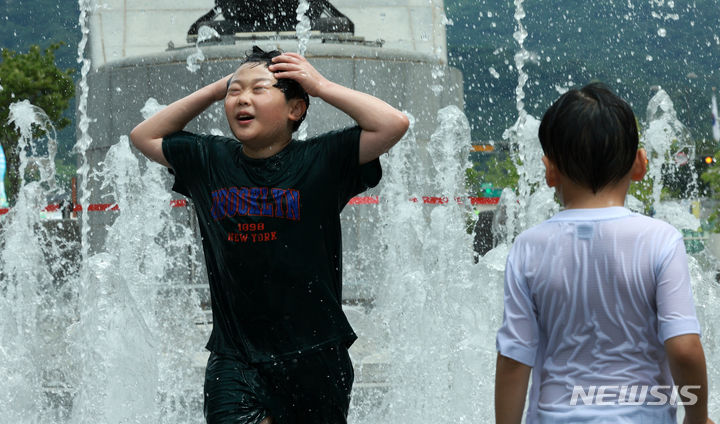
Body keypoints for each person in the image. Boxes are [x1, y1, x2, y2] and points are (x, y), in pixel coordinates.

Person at [130, 46, 409, 424]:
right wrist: (215, 89)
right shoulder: (209, 160)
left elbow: (392, 124)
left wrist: (321, 85)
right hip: (236, 358)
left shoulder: (321, 160)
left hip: (315, 356)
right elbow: (143, 135)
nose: (243, 98)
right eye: (235, 91)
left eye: (259, 89)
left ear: (296, 109)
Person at [494, 83, 713, 424]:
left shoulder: (528, 247)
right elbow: (684, 348)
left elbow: (513, 357)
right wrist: (697, 416)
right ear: (640, 164)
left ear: (550, 170)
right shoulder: (661, 241)